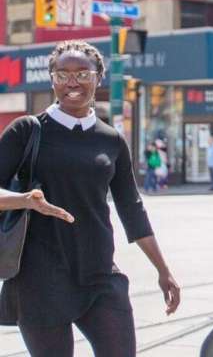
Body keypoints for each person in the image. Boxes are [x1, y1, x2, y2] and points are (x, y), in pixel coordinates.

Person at [0, 40, 181, 356]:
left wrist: (163, 270)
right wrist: (26, 199)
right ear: (52, 79)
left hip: (100, 274)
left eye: (83, 73)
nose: (72, 82)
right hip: (39, 279)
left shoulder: (111, 139)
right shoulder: (26, 131)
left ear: (99, 77)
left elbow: (131, 207)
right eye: (62, 74)